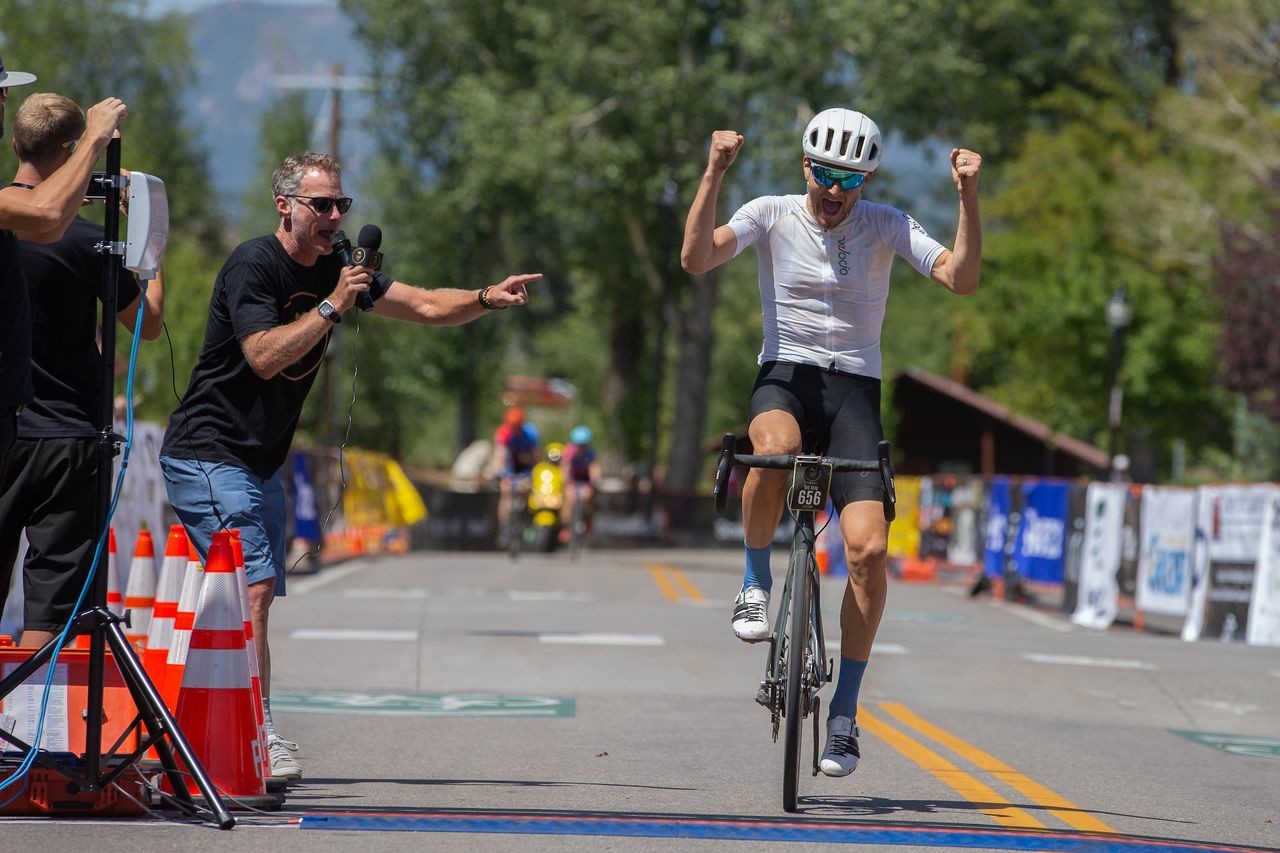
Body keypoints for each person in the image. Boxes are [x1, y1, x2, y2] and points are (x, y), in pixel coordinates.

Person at [158, 152, 541, 782]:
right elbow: (261, 356)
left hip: (261, 464)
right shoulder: (255, 263)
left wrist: (483, 298)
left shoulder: (341, 266)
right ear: (285, 205)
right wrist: (333, 306)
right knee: (250, 587)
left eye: (343, 205)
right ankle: (257, 735)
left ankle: (205, 728)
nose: (336, 217)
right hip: (207, 451)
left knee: (246, 598)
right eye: (322, 205)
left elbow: (422, 305)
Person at [681, 108, 981, 777]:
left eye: (851, 177)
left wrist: (966, 197)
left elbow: (961, 278)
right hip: (785, 377)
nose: (835, 189)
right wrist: (714, 172)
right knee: (775, 449)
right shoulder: (770, 211)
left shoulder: (887, 224)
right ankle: (756, 581)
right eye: (824, 172)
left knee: (870, 550)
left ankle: (843, 713)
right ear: (804, 166)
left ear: (867, 179)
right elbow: (695, 258)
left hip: (854, 392)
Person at [0, 93, 164, 649]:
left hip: (8, 426)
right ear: (74, 152)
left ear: (17, 143)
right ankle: (32, 728)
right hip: (67, 436)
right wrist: (147, 244)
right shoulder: (90, 242)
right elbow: (148, 324)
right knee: (50, 609)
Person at [0, 57, 127, 485]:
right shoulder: (70, 228)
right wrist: (93, 139)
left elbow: (48, 221)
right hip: (65, 428)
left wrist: (73, 189)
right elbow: (47, 213)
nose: (4, 100)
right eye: (0, 91)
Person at [493, 406, 540, 539]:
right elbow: (499, 454)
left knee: (527, 489)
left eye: (517, 426)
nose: (515, 429)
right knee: (506, 491)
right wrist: (500, 472)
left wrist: (530, 463)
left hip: (525, 466)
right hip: (510, 465)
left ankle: (527, 519)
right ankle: (504, 527)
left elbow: (536, 456)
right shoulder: (503, 433)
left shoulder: (531, 433)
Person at [560, 424, 600, 536]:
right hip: (572, 480)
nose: (581, 447)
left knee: (588, 497)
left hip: (585, 480)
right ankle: (566, 528)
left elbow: (594, 468)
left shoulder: (591, 453)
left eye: (584, 445)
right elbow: (565, 467)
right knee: (569, 499)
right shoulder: (568, 452)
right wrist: (566, 482)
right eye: (579, 445)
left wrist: (594, 482)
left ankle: (588, 521)